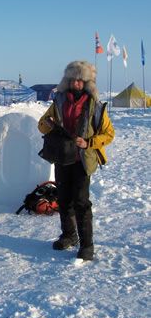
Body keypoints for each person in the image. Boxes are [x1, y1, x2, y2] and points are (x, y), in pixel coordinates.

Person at [38, 61, 115, 261]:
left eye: (80, 80)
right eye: (73, 79)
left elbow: (109, 134)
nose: (76, 83)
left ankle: (87, 244)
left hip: (83, 160)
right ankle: (69, 235)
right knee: (63, 200)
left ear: (87, 82)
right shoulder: (59, 101)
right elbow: (41, 125)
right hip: (63, 158)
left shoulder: (95, 105)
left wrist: (88, 142)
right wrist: (48, 125)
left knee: (81, 202)